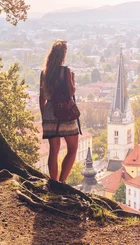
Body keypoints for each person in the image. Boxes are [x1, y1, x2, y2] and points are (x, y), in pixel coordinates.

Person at [39, 40, 79, 182]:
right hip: (65, 112)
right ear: (63, 55)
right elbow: (71, 91)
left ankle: (54, 181)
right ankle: (62, 182)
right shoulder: (65, 71)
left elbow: (41, 97)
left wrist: (44, 116)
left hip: (50, 113)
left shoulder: (44, 73)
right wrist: (72, 80)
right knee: (73, 148)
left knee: (53, 151)